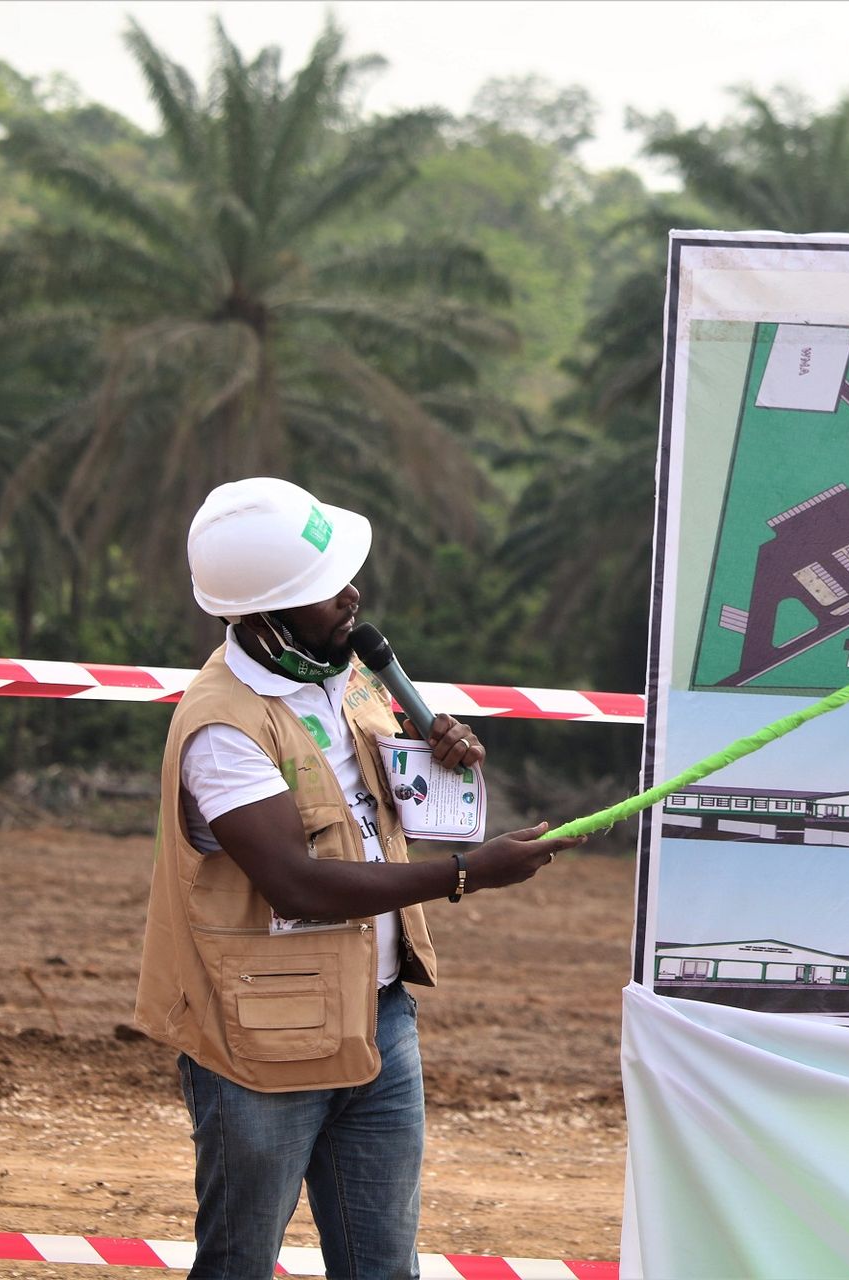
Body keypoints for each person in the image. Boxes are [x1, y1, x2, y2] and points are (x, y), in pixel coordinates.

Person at [135, 476, 582, 1279]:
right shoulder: (221, 728)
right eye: (324, 590)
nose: (353, 596)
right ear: (266, 617)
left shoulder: (350, 673)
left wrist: (438, 765)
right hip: (257, 1043)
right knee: (239, 1264)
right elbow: (298, 885)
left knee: (384, 1270)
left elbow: (380, 818)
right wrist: (466, 876)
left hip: (380, 1018)